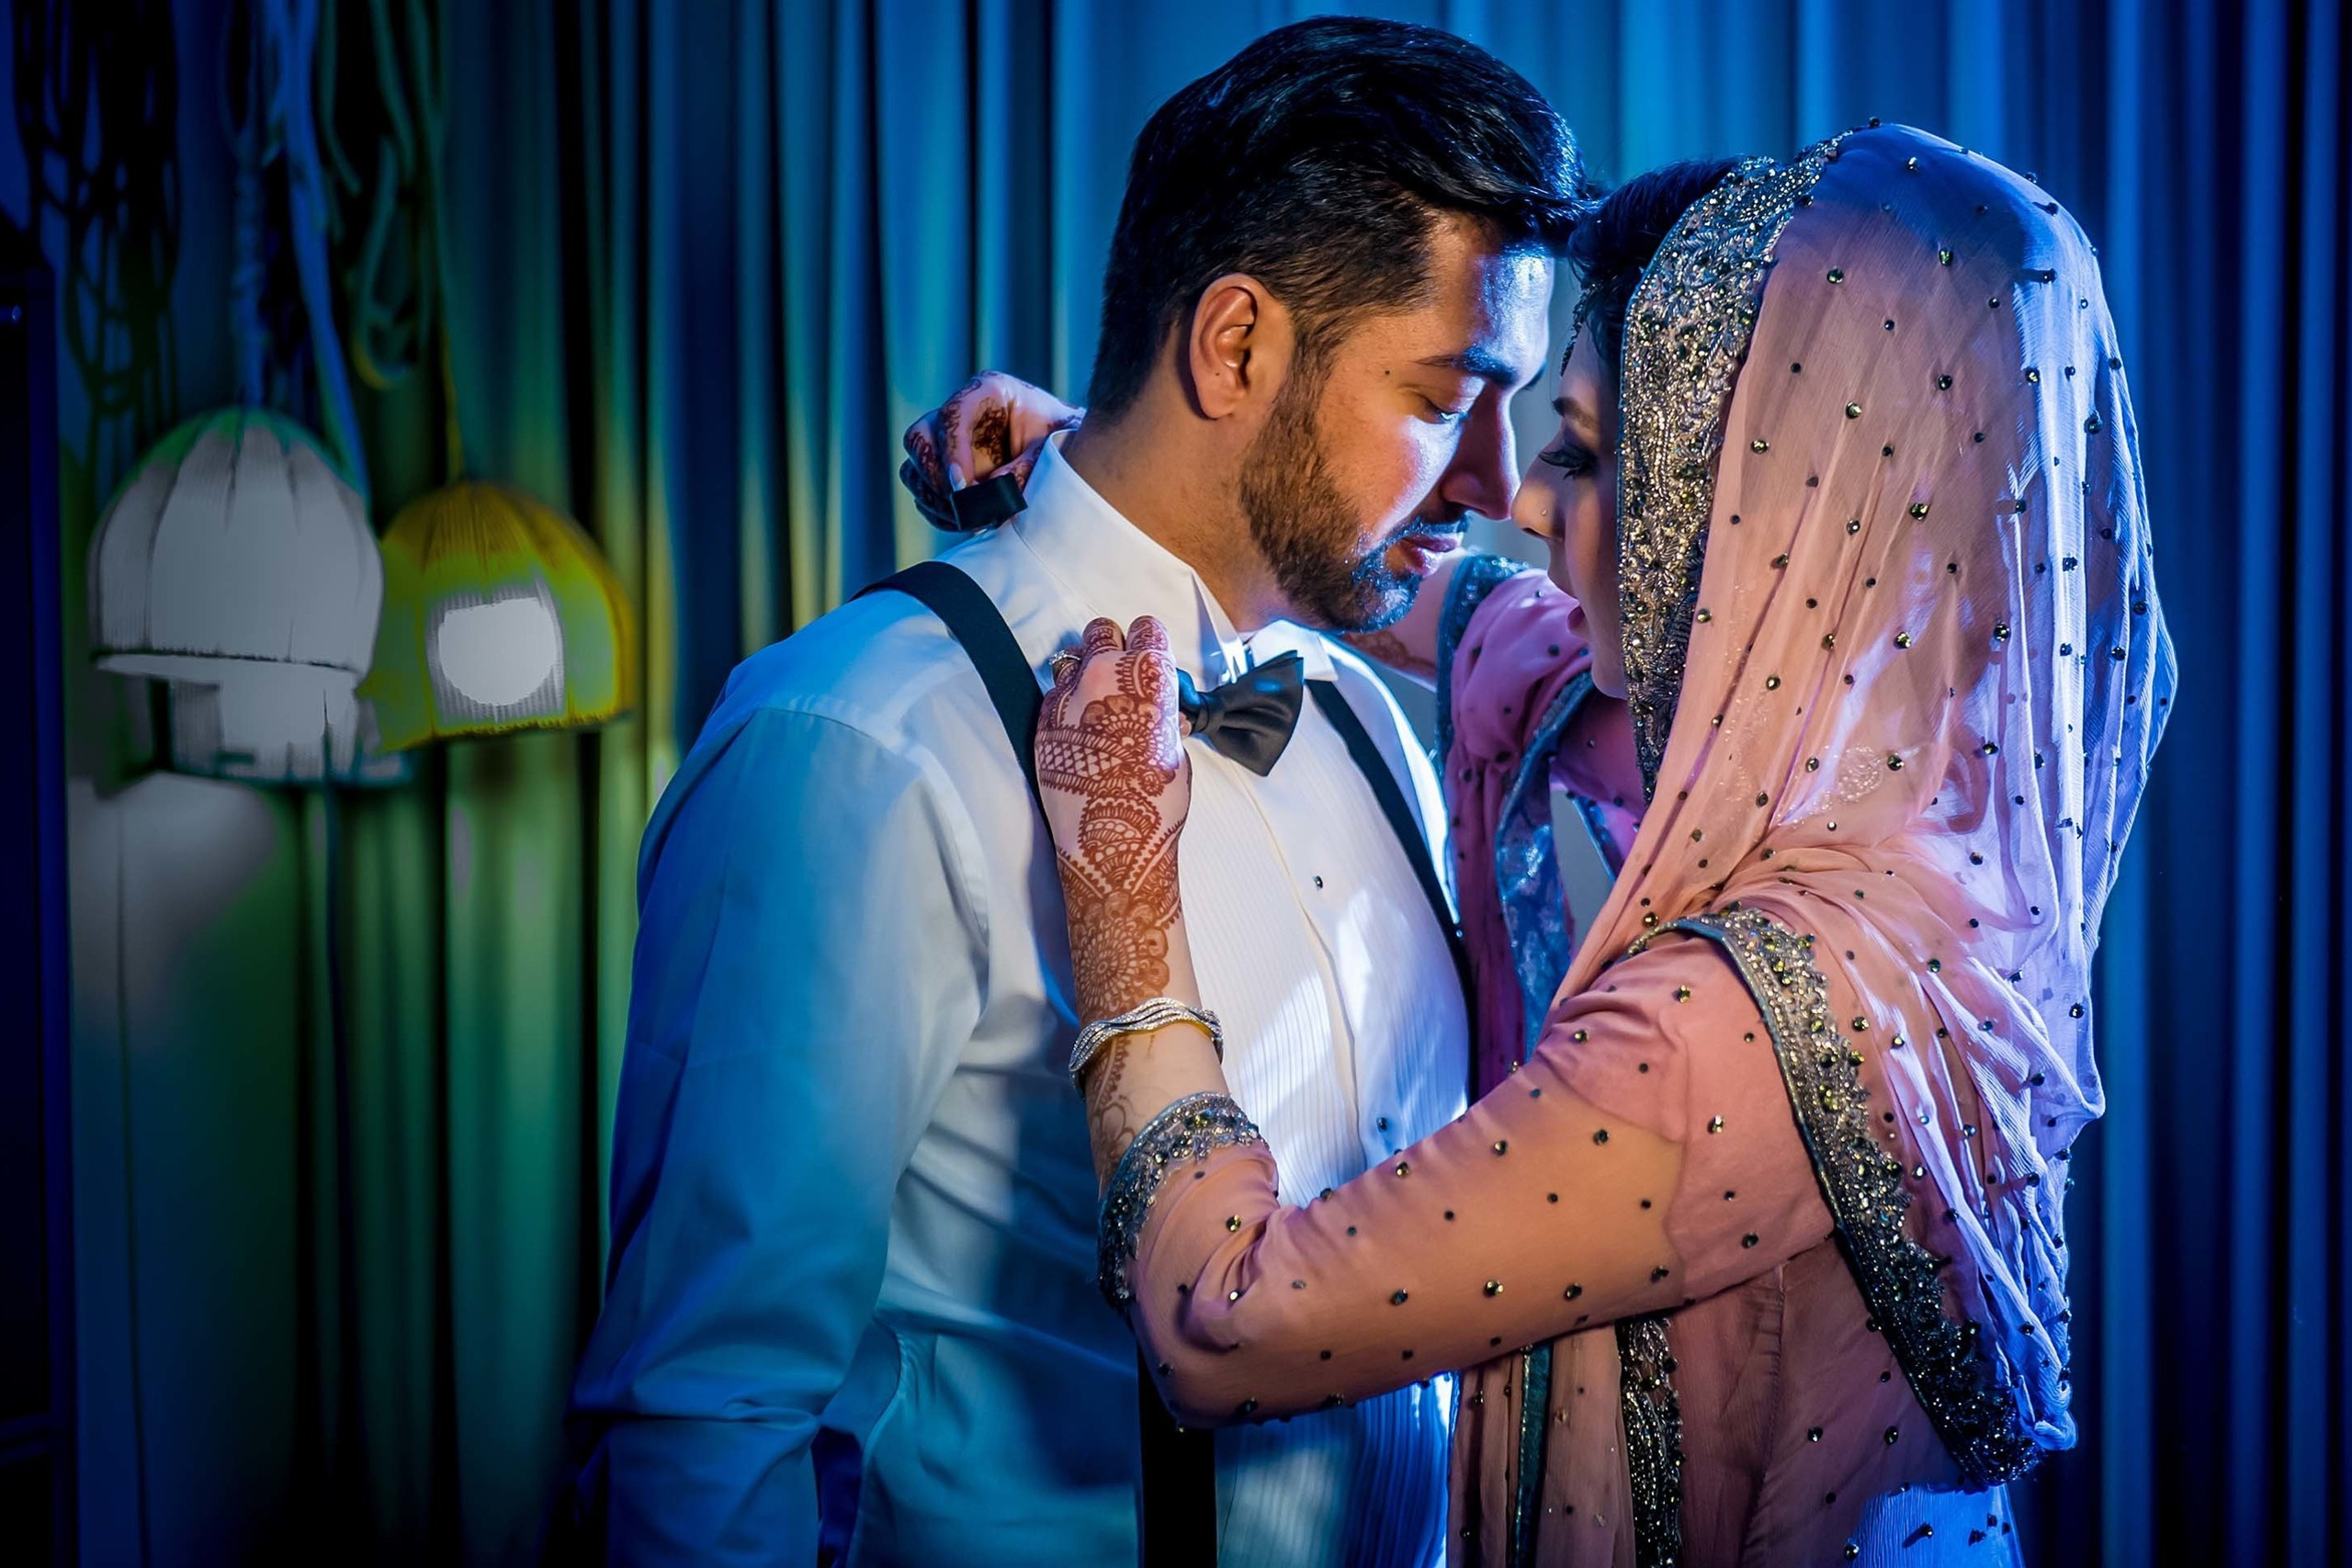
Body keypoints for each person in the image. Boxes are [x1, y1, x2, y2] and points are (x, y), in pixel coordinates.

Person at [998, 125, 2174, 1565]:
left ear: (1760, 525)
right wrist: (1085, 461)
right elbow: (1435, 604)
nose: (1518, 501)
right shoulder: (1747, 726)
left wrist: (1124, 910)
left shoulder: (1743, 1026)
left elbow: (1223, 1325)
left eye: (1584, 453)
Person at [564, 17, 1587, 1566]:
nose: (1500, 484)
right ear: (1235, 346)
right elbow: (706, 1428)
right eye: (1450, 396)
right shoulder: (859, 748)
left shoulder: (1378, 727)